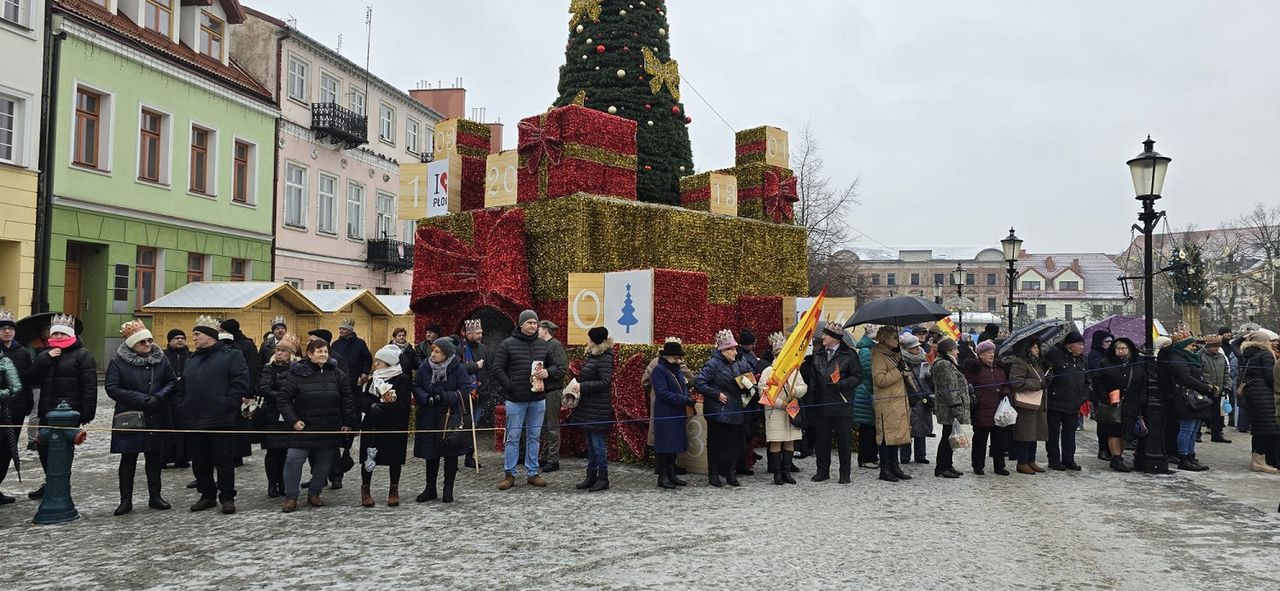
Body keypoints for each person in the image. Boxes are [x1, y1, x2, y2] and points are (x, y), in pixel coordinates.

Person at [104, 320, 178, 515]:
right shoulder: (118, 362)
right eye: (142, 342)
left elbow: (171, 381)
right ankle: (125, 500)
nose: (147, 344)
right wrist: (143, 399)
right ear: (132, 345)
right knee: (128, 459)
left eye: (149, 340)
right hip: (130, 416)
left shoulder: (161, 359)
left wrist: (158, 397)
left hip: (156, 414)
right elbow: (112, 388)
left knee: (154, 458)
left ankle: (155, 496)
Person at [177, 316, 250, 514]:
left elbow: (241, 381)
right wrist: (183, 405)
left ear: (210, 336)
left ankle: (227, 496)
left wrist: (228, 403)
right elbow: (182, 386)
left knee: (223, 460)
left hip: (221, 418)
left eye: (197, 334)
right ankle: (207, 495)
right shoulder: (191, 359)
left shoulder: (231, 355)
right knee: (200, 461)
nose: (194, 338)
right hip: (194, 418)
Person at [277, 338, 356, 512]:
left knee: (324, 463)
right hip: (303, 426)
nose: (323, 354)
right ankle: (291, 497)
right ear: (310, 354)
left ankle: (315, 492)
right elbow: (284, 399)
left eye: (326, 351)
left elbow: (347, 399)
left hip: (328, 426)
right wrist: (293, 420)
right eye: (319, 351)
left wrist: (347, 422)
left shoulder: (337, 373)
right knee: (293, 460)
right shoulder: (297, 373)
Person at [25, 314, 96, 500]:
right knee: (43, 448)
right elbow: (31, 378)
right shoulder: (45, 354)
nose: (57, 338)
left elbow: (89, 386)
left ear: (70, 335)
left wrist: (86, 413)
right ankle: (50, 481)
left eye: (62, 334)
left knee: (63, 450)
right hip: (47, 411)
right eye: (55, 334)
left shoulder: (83, 355)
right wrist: (45, 359)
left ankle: (61, 484)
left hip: (69, 413)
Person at [492, 310, 557, 490]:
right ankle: (509, 474)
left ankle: (532, 473)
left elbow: (555, 366)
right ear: (521, 325)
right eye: (529, 322)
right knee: (513, 438)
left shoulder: (543, 345)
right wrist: (511, 385)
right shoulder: (508, 344)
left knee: (534, 437)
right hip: (515, 400)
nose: (533, 326)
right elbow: (497, 369)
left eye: (535, 323)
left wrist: (548, 372)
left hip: (537, 399)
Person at [413, 337, 474, 503]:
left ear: (446, 354)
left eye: (437, 351)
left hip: (449, 415)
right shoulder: (425, 366)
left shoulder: (458, 368)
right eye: (432, 350)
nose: (433, 354)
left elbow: (464, 390)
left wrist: (445, 396)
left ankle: (448, 489)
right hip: (429, 415)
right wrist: (426, 397)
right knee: (430, 453)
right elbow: (416, 385)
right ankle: (430, 488)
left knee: (450, 454)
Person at [802, 321, 861, 484]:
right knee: (822, 440)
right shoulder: (818, 354)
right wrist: (811, 404)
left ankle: (844, 473)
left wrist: (842, 384)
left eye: (826, 335)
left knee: (843, 441)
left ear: (835, 338)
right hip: (822, 405)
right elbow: (813, 381)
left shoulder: (849, 355)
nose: (823, 337)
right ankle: (822, 471)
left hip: (842, 404)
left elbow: (858, 376)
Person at [697, 329, 751, 487]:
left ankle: (730, 474)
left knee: (733, 445)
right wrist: (716, 394)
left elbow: (743, 378)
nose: (735, 351)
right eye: (732, 349)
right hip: (718, 413)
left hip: (734, 410)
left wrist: (747, 384)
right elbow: (700, 382)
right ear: (724, 351)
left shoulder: (736, 363)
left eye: (735, 348)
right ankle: (713, 474)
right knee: (716, 444)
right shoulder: (713, 364)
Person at [359, 345, 412, 507]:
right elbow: (363, 399)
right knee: (369, 457)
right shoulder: (374, 378)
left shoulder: (402, 379)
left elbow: (404, 405)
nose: (376, 365)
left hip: (393, 425)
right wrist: (370, 407)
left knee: (394, 458)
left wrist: (382, 408)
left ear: (388, 363)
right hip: (372, 425)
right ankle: (365, 490)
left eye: (379, 362)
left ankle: (393, 489)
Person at [760, 332, 807, 485]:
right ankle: (777, 473)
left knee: (789, 440)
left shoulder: (793, 370)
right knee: (776, 441)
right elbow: (764, 393)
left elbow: (803, 386)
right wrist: (782, 404)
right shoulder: (769, 371)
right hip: (775, 412)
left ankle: (787, 472)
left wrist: (795, 392)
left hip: (791, 412)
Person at [1163, 336, 1217, 471]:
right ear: (1183, 346)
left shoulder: (1189, 358)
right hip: (1185, 398)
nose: (1194, 347)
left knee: (1193, 430)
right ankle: (1184, 457)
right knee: (1186, 429)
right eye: (1191, 345)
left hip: (1194, 397)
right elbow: (1186, 378)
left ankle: (1190, 455)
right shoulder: (1178, 359)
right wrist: (1205, 387)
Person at [571, 326, 615, 492]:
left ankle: (603, 477)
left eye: (590, 338)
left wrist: (582, 386)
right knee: (591, 444)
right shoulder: (593, 355)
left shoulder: (605, 357)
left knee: (598, 445)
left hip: (598, 408)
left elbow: (605, 382)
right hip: (588, 407)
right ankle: (591, 475)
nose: (587, 341)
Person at [256, 333, 299, 498]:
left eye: (283, 350)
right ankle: (272, 483)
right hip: (273, 414)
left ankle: (285, 483)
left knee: (289, 452)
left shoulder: (298, 368)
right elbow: (263, 388)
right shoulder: (269, 368)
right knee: (273, 452)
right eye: (278, 350)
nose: (279, 353)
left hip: (291, 415)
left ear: (291, 353)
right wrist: (283, 397)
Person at [329, 320, 370, 490]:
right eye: (339, 328)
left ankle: (352, 429)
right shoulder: (335, 345)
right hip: (337, 385)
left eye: (343, 329)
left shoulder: (360, 344)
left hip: (354, 383)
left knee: (353, 408)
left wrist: (364, 373)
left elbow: (367, 359)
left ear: (350, 331)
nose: (341, 331)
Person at [1091, 338, 1143, 472]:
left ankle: (1117, 456)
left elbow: (1143, 382)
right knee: (1113, 431)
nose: (1122, 351)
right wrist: (1105, 397)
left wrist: (1141, 399)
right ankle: (1117, 457)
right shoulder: (1105, 363)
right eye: (1118, 348)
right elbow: (1098, 381)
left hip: (1131, 402)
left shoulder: (1137, 363)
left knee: (1127, 432)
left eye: (1124, 348)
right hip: (1112, 403)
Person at [650, 338, 696, 489]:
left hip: (676, 412)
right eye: (676, 357)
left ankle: (671, 473)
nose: (678, 360)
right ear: (666, 356)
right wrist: (683, 399)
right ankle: (663, 476)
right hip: (665, 413)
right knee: (665, 446)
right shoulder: (659, 370)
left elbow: (683, 386)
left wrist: (686, 398)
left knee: (674, 445)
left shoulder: (674, 369)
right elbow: (662, 393)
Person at [871, 326, 913, 482]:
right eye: (894, 337)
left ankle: (895, 466)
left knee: (896, 436)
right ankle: (885, 468)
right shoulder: (878, 355)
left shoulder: (893, 354)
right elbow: (880, 380)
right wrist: (898, 370)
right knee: (886, 437)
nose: (898, 340)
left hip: (898, 401)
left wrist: (904, 368)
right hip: (886, 402)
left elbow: (903, 373)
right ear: (885, 339)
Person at [0, 309, 33, 504]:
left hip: (16, 410)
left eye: (10, 328)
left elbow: (27, 381)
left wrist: (27, 404)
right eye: (3, 328)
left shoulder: (23, 353)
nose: (7, 332)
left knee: (7, 451)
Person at [966, 340, 1011, 475]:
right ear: (980, 354)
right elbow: (968, 385)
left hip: (998, 409)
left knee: (999, 440)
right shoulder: (975, 368)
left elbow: (1007, 384)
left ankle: (999, 466)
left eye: (993, 352)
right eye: (988, 353)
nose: (991, 355)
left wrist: (1005, 392)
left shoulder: (999, 367)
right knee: (980, 439)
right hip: (982, 409)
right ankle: (978, 466)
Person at [1045, 331, 1089, 471]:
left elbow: (1087, 381)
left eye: (1083, 344)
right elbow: (1046, 376)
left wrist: (1083, 396)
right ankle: (1054, 460)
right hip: (1055, 402)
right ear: (1070, 345)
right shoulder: (1055, 356)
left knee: (1070, 433)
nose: (1082, 347)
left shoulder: (1083, 360)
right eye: (1079, 344)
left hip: (1074, 403)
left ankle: (1069, 459)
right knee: (1053, 432)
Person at [1007, 338, 1049, 475]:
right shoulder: (1020, 363)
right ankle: (1022, 462)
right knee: (1025, 434)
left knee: (1034, 433)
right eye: (1034, 347)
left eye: (1038, 347)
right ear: (1027, 349)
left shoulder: (1036, 363)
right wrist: (1037, 384)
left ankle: (1031, 460)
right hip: (1026, 405)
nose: (1038, 350)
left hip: (1037, 404)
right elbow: (1016, 381)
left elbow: (1041, 380)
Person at [929, 337, 970, 478]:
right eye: (955, 349)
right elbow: (949, 387)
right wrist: (956, 407)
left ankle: (948, 464)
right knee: (947, 437)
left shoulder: (948, 363)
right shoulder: (944, 364)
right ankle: (941, 467)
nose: (958, 352)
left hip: (950, 406)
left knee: (950, 436)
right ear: (949, 350)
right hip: (948, 407)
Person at [1238, 329, 1278, 472]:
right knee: (1267, 428)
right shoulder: (1266, 354)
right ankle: (1259, 461)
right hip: (1264, 394)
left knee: (1259, 427)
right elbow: (1270, 376)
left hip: (1252, 393)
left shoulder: (1247, 354)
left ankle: (1257, 459)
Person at [538, 320, 568, 473]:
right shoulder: (543, 345)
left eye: (539, 328)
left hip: (553, 391)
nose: (537, 330)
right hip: (543, 391)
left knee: (552, 426)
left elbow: (563, 368)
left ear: (545, 330)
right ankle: (544, 456)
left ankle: (553, 459)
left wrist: (548, 373)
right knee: (544, 426)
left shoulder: (555, 345)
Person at [899, 332, 932, 465]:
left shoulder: (924, 358)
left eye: (918, 346)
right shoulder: (902, 361)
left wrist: (930, 376)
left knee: (922, 425)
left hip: (923, 396)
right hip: (910, 397)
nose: (917, 349)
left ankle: (921, 454)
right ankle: (905, 455)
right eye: (914, 347)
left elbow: (928, 378)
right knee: (908, 426)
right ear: (907, 349)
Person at [458, 319, 487, 469]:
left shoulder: (483, 348)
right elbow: (458, 369)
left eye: (481, 332)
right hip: (463, 395)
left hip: (479, 393)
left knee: (474, 426)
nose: (481, 334)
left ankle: (470, 456)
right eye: (477, 332)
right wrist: (475, 366)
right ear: (469, 334)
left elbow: (487, 370)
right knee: (462, 426)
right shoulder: (459, 349)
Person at [851, 331, 878, 469]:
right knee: (867, 428)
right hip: (865, 393)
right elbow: (869, 370)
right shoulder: (866, 351)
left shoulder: (869, 349)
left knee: (871, 427)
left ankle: (872, 456)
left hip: (867, 391)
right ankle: (866, 458)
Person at [1201, 336, 1233, 443]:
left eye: (1218, 346)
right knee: (1202, 412)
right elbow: (1199, 372)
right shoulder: (1201, 356)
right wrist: (1205, 385)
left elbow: (1226, 373)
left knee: (1216, 414)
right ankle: (1197, 434)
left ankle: (1217, 434)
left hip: (1218, 390)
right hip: (1205, 389)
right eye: (1214, 346)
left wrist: (1227, 385)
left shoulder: (1221, 357)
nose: (1216, 348)